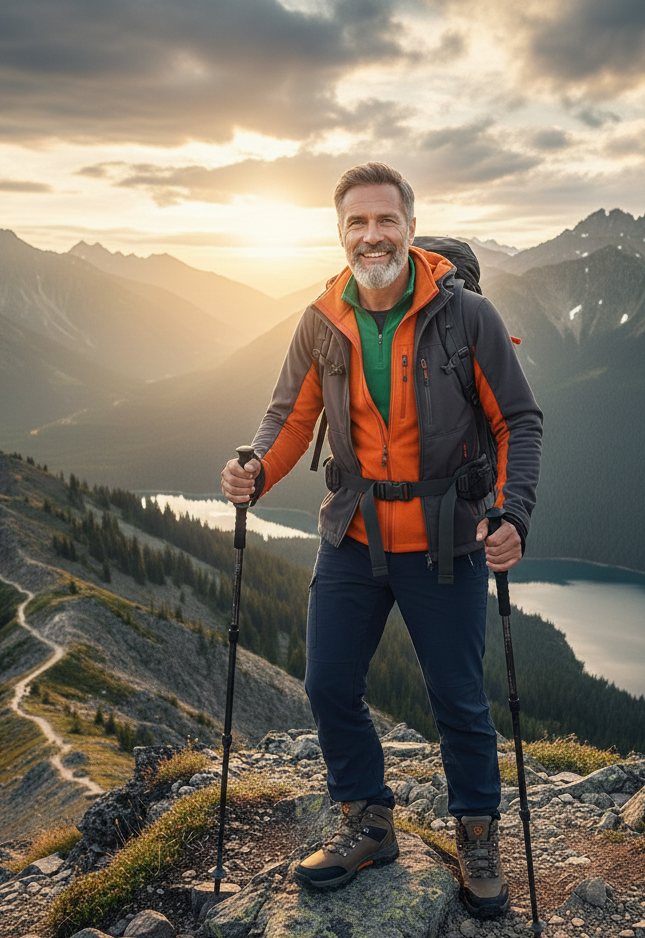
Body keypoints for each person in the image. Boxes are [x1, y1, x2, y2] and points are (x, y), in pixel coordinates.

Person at [221, 162, 542, 918]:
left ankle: (476, 834)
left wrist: (512, 514)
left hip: (449, 541)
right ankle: (367, 820)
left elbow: (517, 421)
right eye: (357, 224)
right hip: (354, 532)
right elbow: (289, 417)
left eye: (385, 221)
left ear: (409, 225)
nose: (373, 236)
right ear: (340, 235)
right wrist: (254, 468)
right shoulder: (321, 319)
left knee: (457, 699)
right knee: (328, 683)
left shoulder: (467, 318)